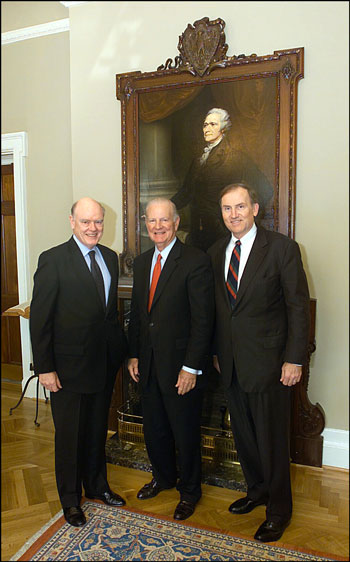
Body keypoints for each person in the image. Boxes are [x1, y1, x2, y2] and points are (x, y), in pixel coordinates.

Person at [208, 183, 310, 543]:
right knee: (244, 437)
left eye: (239, 207)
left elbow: (298, 308)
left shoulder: (282, 249)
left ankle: (279, 511)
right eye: (226, 208)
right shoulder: (216, 251)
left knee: (271, 441)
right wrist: (217, 353)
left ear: (254, 208)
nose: (233, 214)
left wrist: (294, 359)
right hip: (231, 365)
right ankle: (257, 491)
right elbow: (221, 312)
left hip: (271, 366)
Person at [29, 197, 128, 527]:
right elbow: (40, 320)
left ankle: (97, 486)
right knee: (70, 437)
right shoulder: (53, 260)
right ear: (72, 221)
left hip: (102, 365)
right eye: (86, 221)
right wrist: (44, 367)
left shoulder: (110, 259)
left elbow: (108, 317)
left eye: (98, 221)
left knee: (97, 431)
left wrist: (123, 354)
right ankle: (70, 500)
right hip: (65, 371)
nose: (93, 228)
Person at [127, 198, 214, 521]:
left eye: (164, 220)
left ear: (176, 223)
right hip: (147, 365)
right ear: (146, 225)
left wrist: (191, 366)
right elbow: (138, 314)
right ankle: (163, 477)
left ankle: (190, 491)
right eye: (152, 221)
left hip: (181, 368)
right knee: (155, 430)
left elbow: (203, 320)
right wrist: (134, 353)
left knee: (185, 432)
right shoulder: (141, 262)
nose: (158, 226)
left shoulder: (195, 261)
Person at [172, 108, 273, 251]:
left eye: (213, 124)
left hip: (223, 234)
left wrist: (245, 223)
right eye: (205, 125)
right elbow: (186, 192)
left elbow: (266, 190)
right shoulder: (198, 160)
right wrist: (165, 207)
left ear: (223, 129)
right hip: (198, 233)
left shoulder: (236, 158)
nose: (207, 128)